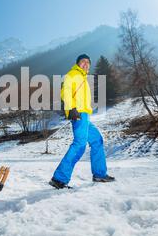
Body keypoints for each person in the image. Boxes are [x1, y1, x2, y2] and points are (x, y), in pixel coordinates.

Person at [49, 54, 115, 189]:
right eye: (82, 61)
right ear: (77, 63)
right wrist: (71, 108)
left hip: (85, 115)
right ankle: (59, 179)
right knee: (79, 145)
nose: (85, 64)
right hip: (78, 114)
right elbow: (65, 92)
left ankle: (99, 174)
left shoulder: (83, 78)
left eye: (87, 62)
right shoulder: (72, 74)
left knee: (97, 140)